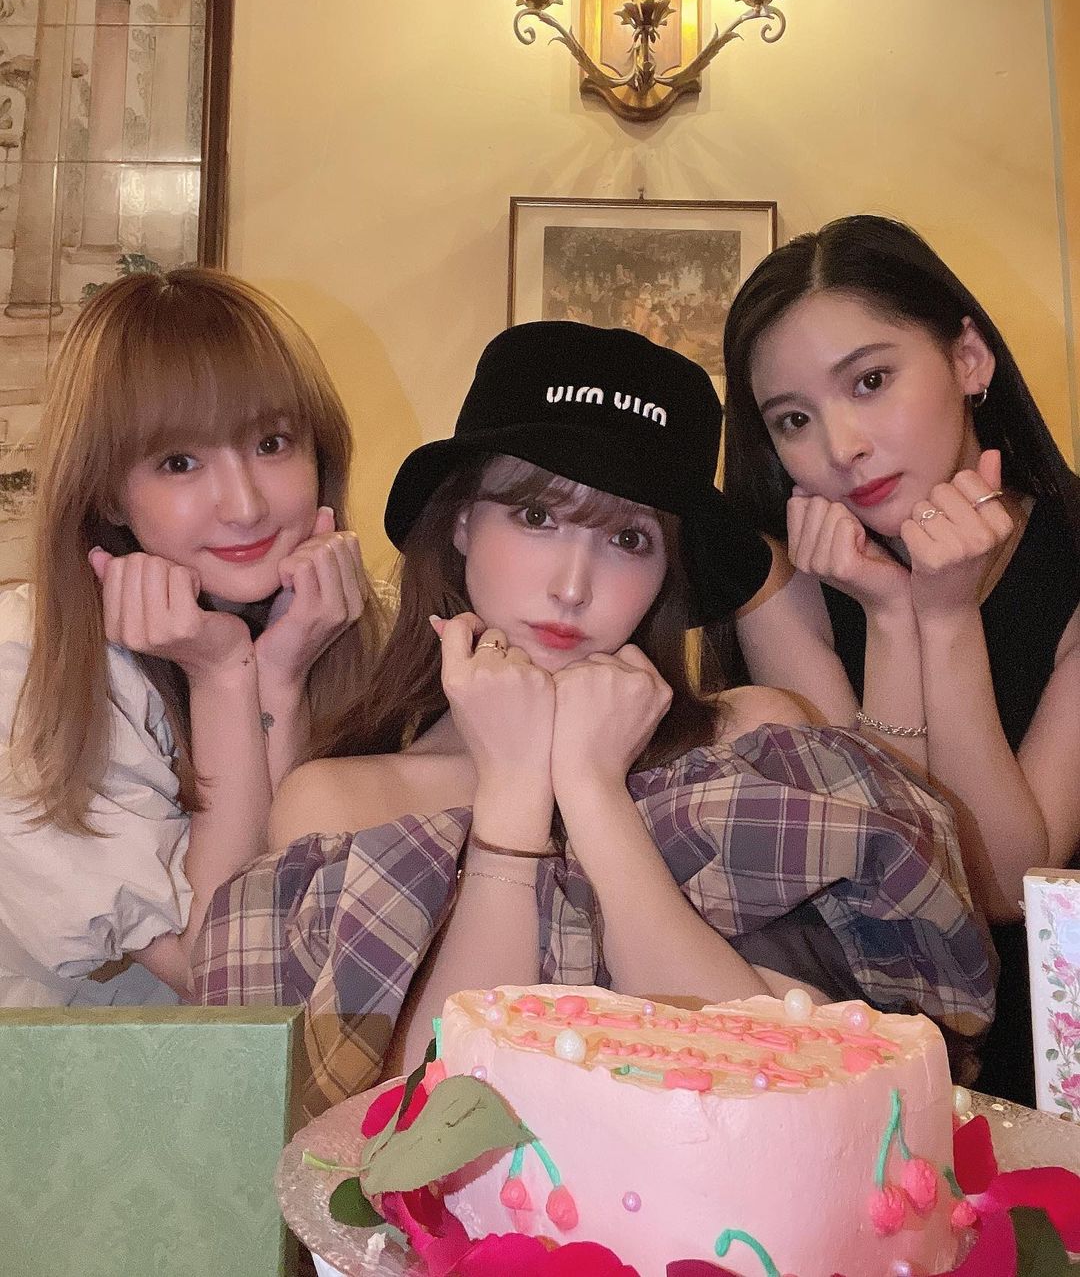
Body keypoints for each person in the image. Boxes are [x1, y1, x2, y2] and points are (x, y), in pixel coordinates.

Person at [192, 321, 995, 1114]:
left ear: (668, 570)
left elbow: (785, 1088)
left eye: (629, 538)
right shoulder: (341, 804)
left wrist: (592, 789)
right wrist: (512, 794)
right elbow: (421, 1127)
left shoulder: (752, 748)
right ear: (464, 519)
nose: (573, 586)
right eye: (537, 517)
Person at [716, 215, 1080, 1104]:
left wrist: (944, 618)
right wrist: (889, 613)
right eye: (794, 419)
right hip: (868, 1055)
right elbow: (884, 880)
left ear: (969, 359)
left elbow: (1003, 885)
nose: (841, 447)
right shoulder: (784, 579)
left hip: (1053, 1060)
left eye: (871, 381)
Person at [0, 267, 385, 1008]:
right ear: (107, 491)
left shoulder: (345, 629)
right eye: (180, 462)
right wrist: (222, 678)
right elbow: (226, 982)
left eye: (272, 443)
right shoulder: (23, 670)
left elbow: (307, 956)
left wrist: (278, 679)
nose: (244, 505)